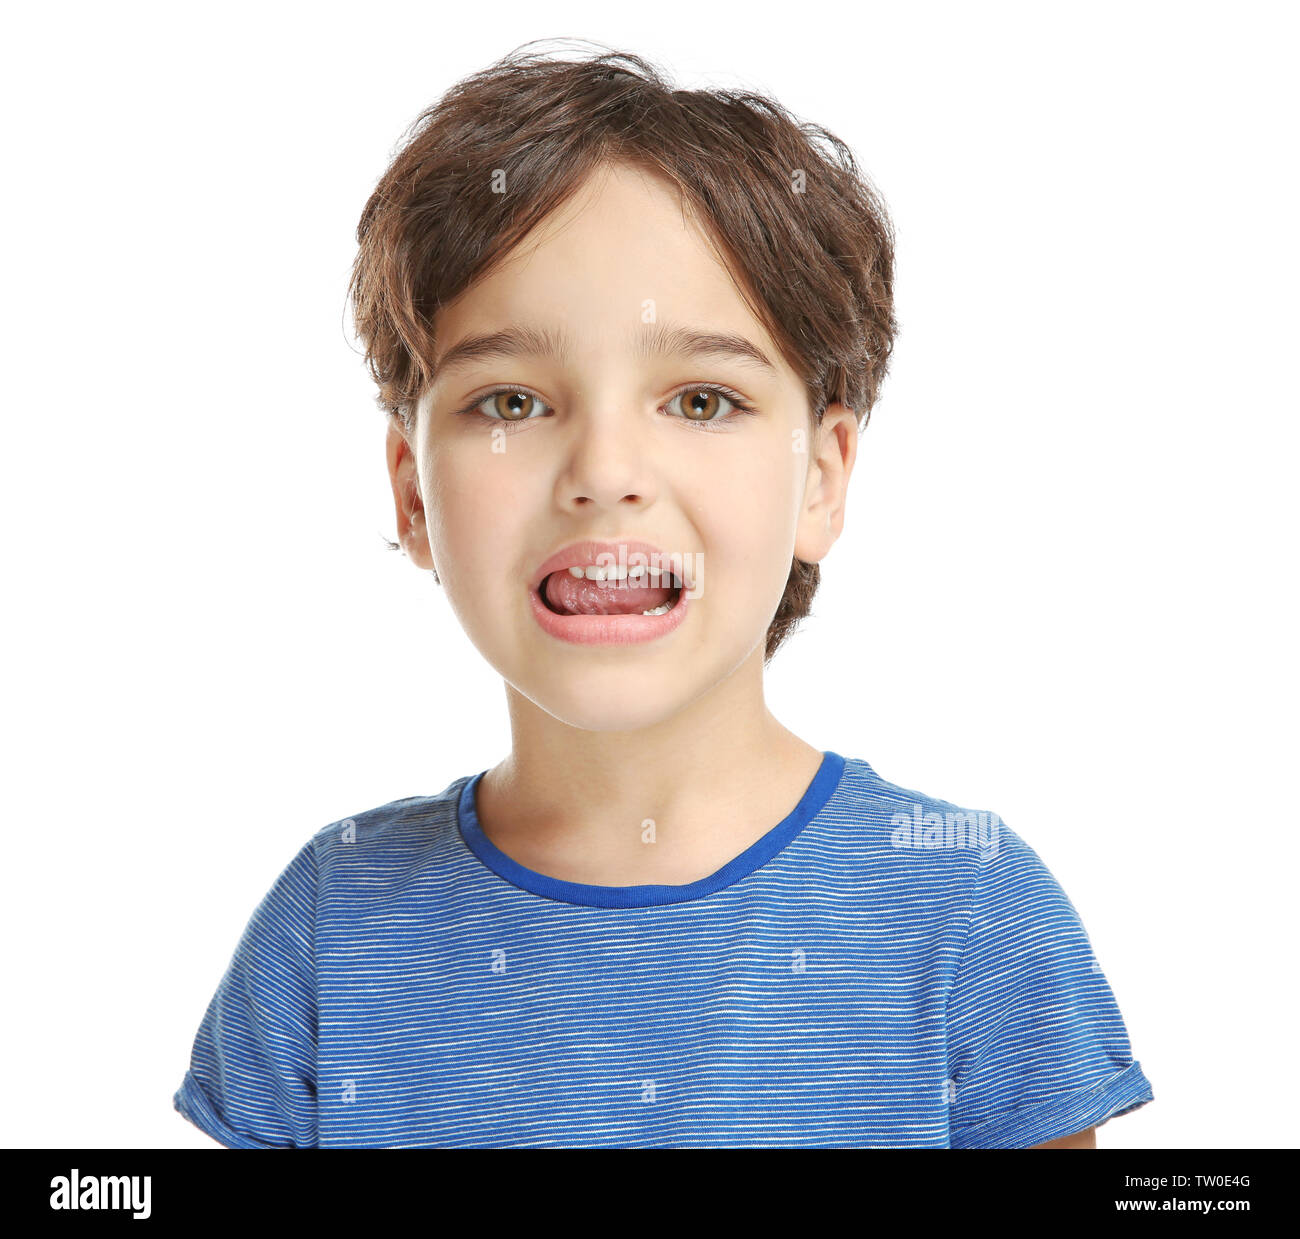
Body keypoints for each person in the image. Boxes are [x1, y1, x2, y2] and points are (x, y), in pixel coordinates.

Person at [174, 41, 1153, 1149]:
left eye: (698, 400)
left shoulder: (967, 911)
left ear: (820, 479)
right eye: (509, 400)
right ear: (411, 494)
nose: (604, 470)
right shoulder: (329, 929)